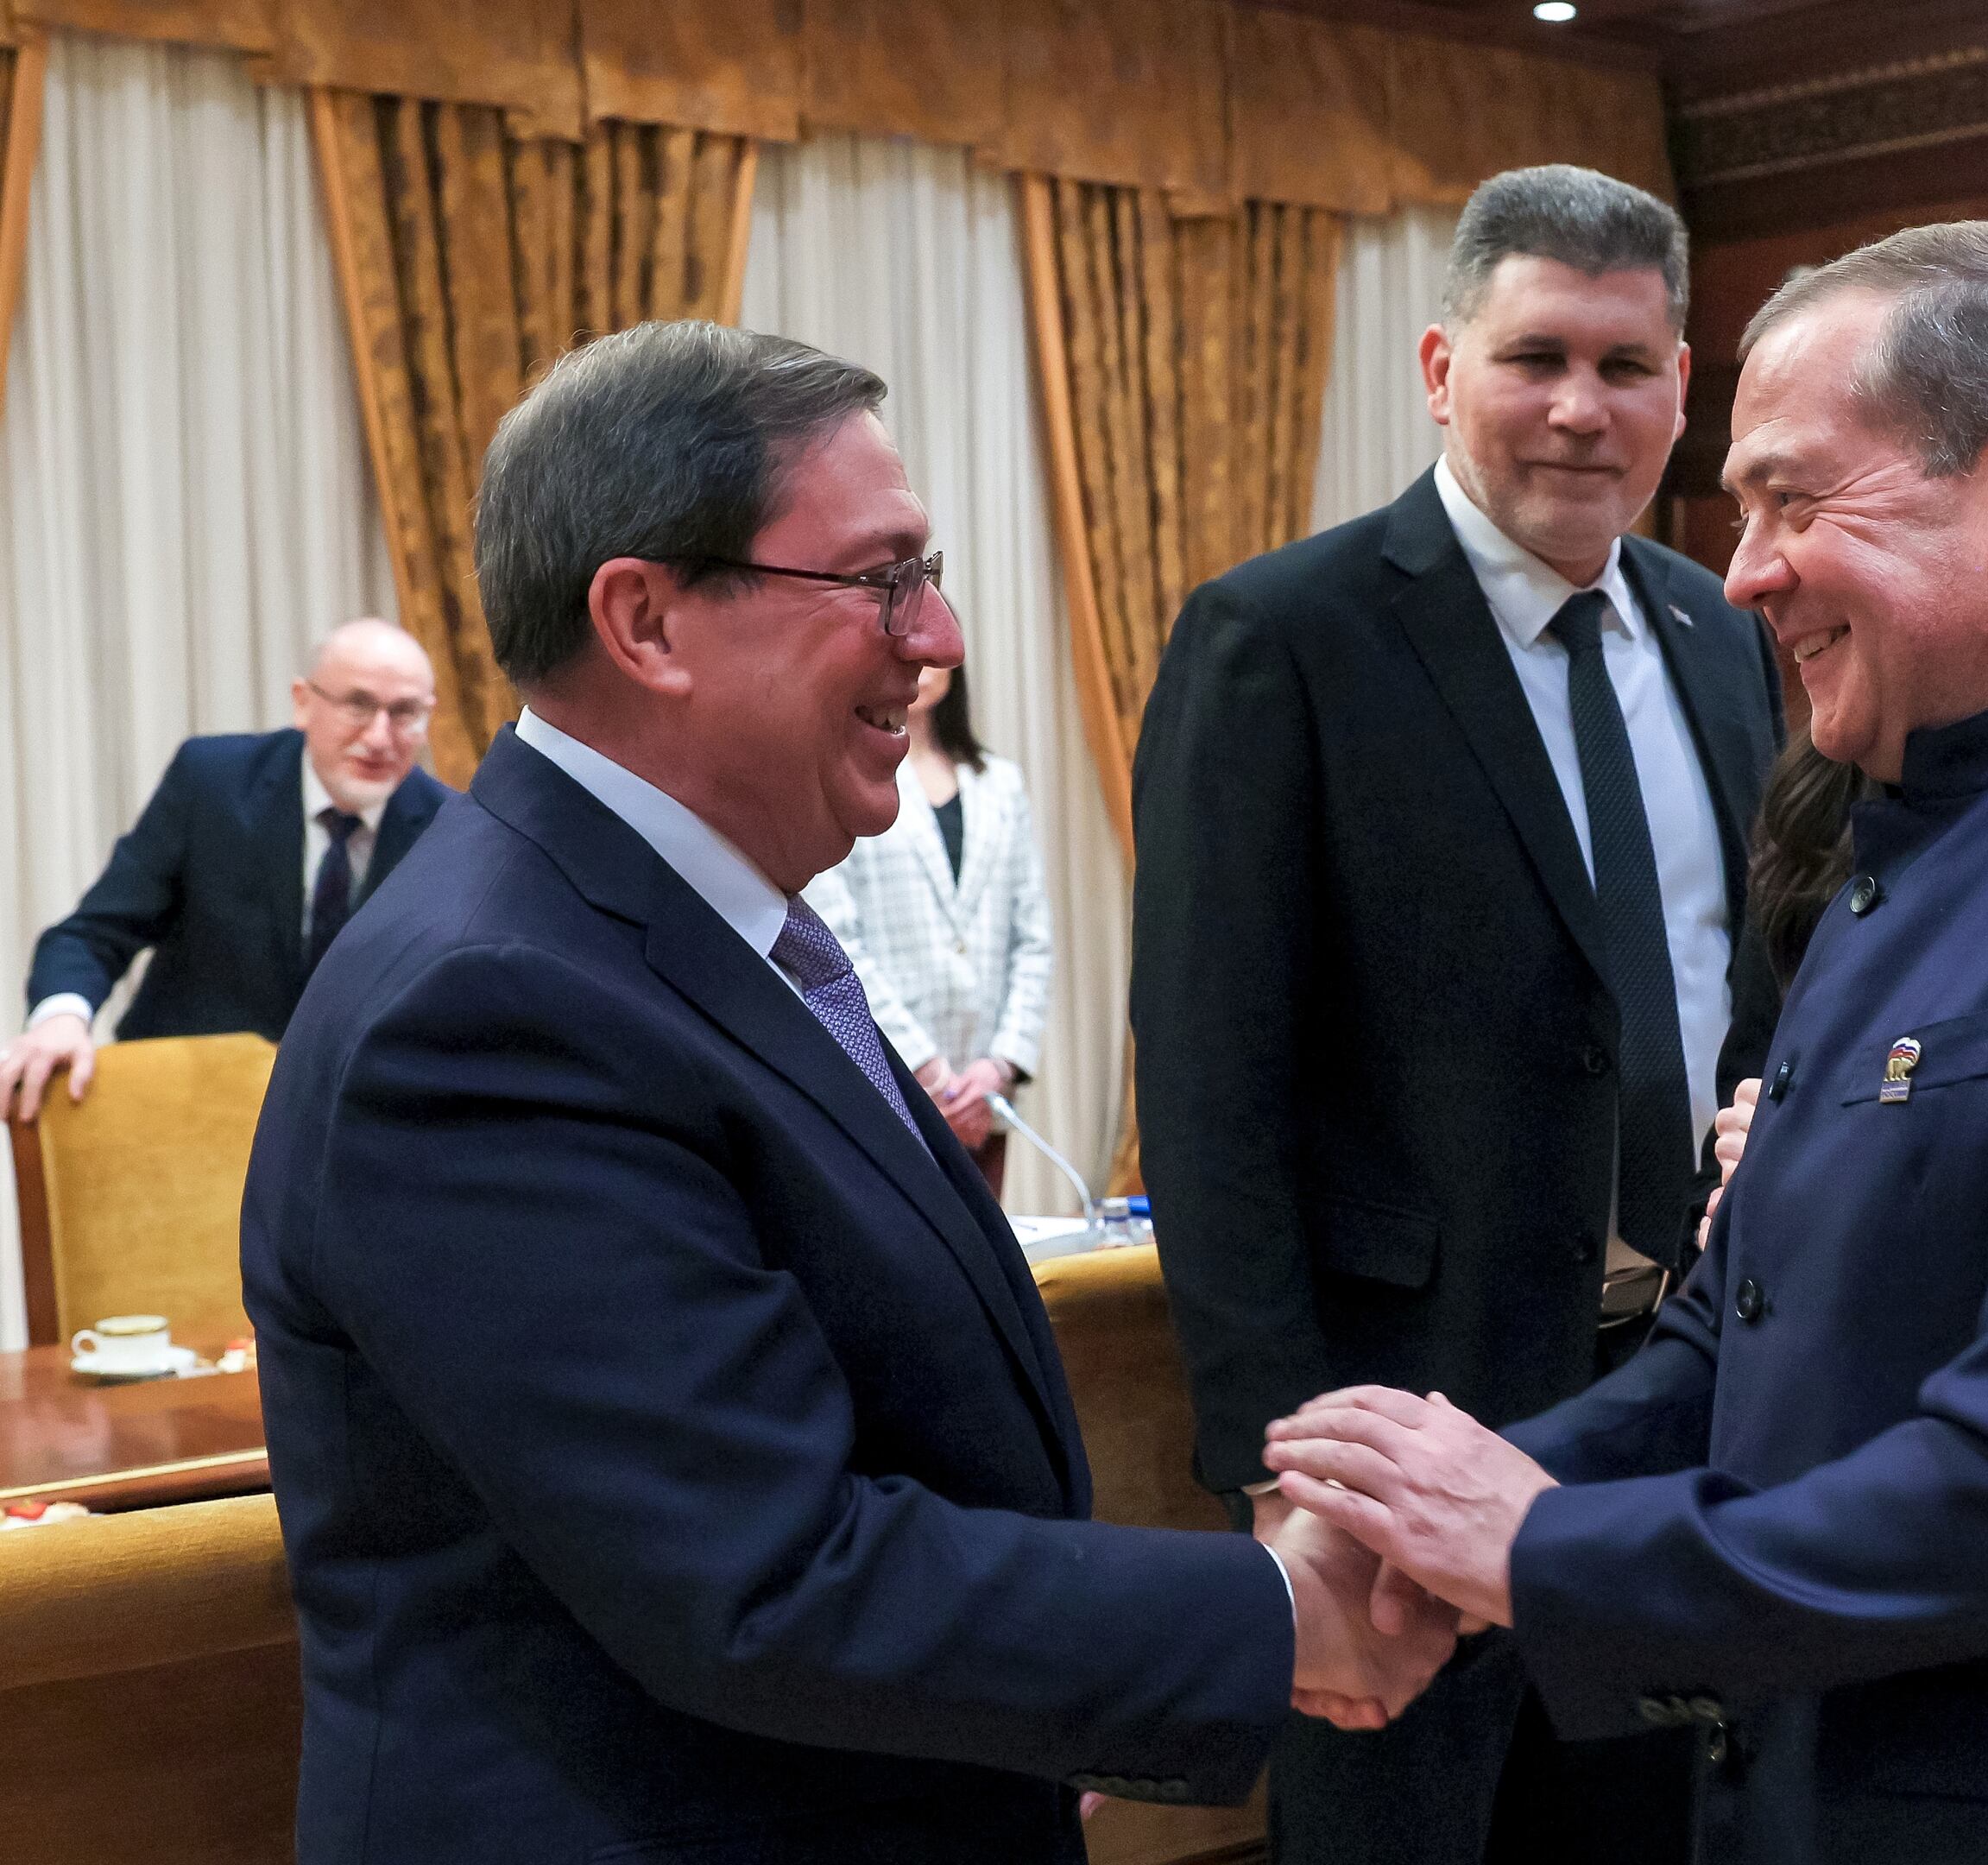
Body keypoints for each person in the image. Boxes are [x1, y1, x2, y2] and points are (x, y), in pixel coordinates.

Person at [1269, 221, 1988, 1865]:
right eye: (1743, 512)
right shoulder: (1906, 846)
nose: (1744, 570)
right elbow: (1733, 1344)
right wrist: (1439, 1519)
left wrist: (1541, 1555)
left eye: (1793, 499)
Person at [240, 321, 1448, 1865]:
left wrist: (1038, 1704)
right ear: (648, 623)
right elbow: (759, 1576)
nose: (937, 635)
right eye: (881, 579)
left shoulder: (696, 934)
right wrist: (1276, 1613)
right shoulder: (492, 1010)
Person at [1130, 165, 1781, 1865]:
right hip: (1403, 1434)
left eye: (1625, 366)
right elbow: (1209, 1087)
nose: (1581, 408)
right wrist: (1279, 1474)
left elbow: (1760, 992)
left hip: (1671, 1420)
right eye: (1533, 356)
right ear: (1440, 365)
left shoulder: (1727, 637)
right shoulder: (1281, 635)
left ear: (1682, 388)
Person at [5, 619, 449, 1120]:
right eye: (358, 706)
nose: (379, 736)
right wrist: (61, 1017)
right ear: (304, 702)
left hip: (345, 1128)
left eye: (405, 713)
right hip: (183, 1104)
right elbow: (93, 934)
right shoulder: (212, 782)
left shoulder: (450, 828)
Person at [809, 657, 1053, 1195]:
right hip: (890, 1083)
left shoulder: (1001, 784)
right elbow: (838, 941)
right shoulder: (848, 780)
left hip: (985, 1098)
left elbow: (1033, 939)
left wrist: (999, 1067)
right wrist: (930, 1075)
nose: (920, 664)